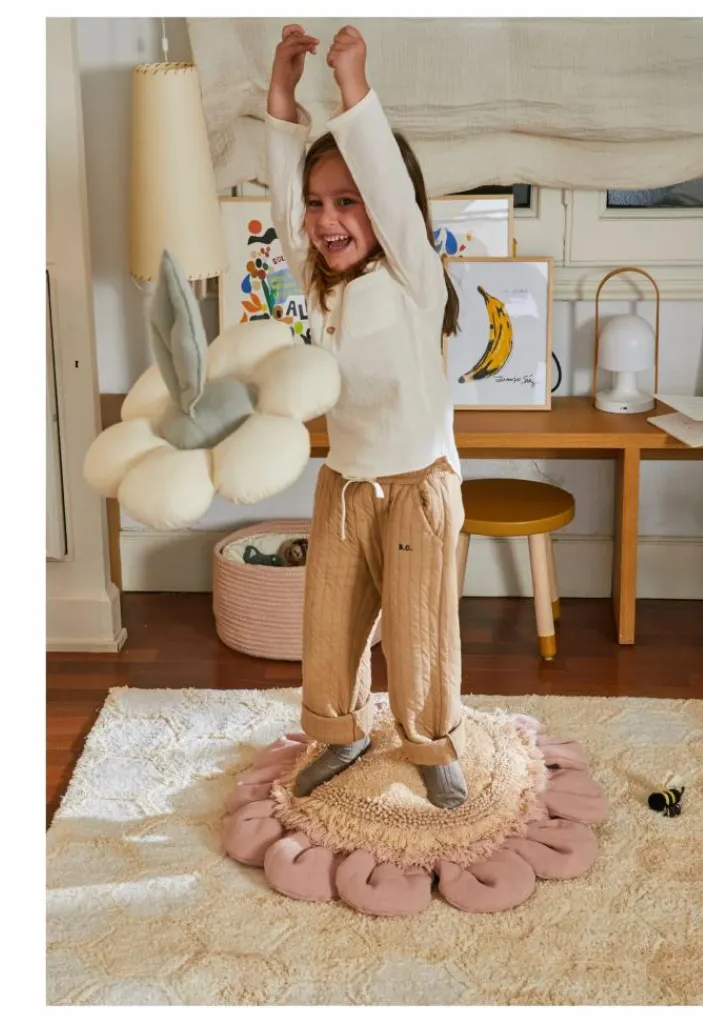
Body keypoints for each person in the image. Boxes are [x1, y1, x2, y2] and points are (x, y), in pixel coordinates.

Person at [266, 24, 468, 810]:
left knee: (420, 633)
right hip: (346, 485)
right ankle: (340, 732)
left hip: (418, 486)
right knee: (330, 625)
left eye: (347, 202)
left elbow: (383, 182)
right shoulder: (319, 283)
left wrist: (352, 87)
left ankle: (429, 741)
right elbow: (285, 205)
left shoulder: (416, 274)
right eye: (319, 204)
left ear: (385, 208)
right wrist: (282, 98)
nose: (326, 219)